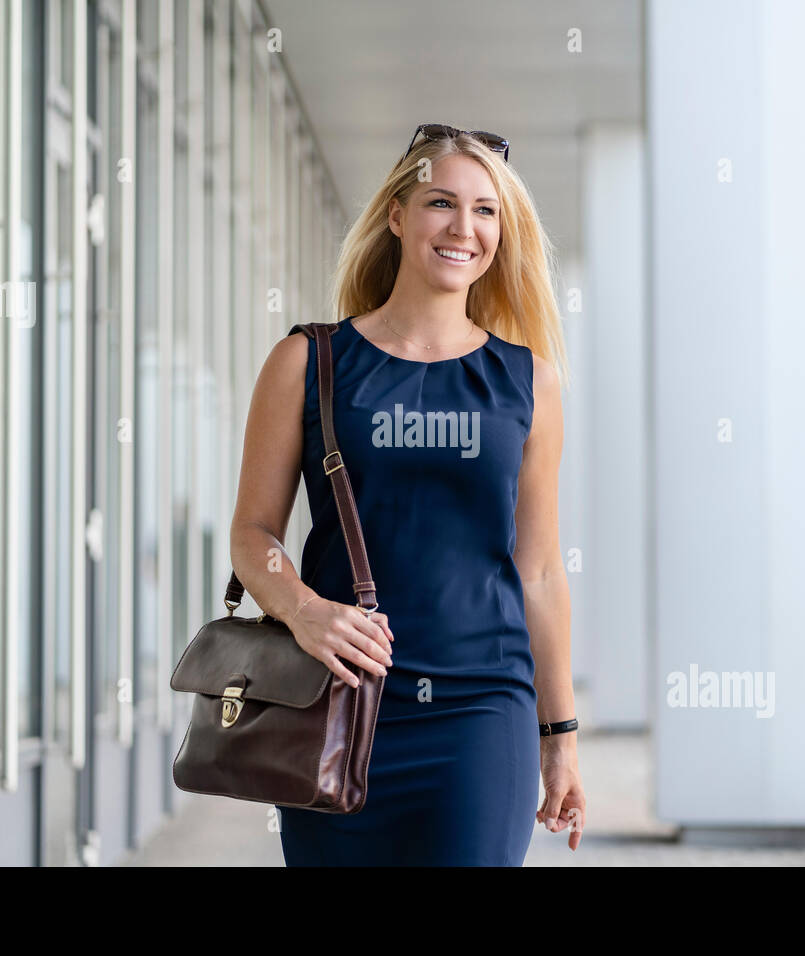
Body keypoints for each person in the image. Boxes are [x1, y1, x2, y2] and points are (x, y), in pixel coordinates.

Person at [229, 123, 584, 865]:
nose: (464, 228)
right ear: (397, 215)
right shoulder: (309, 362)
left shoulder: (529, 383)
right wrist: (304, 611)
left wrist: (561, 739)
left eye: (487, 210)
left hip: (483, 715)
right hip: (332, 713)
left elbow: (542, 572)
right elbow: (252, 534)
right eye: (441, 203)